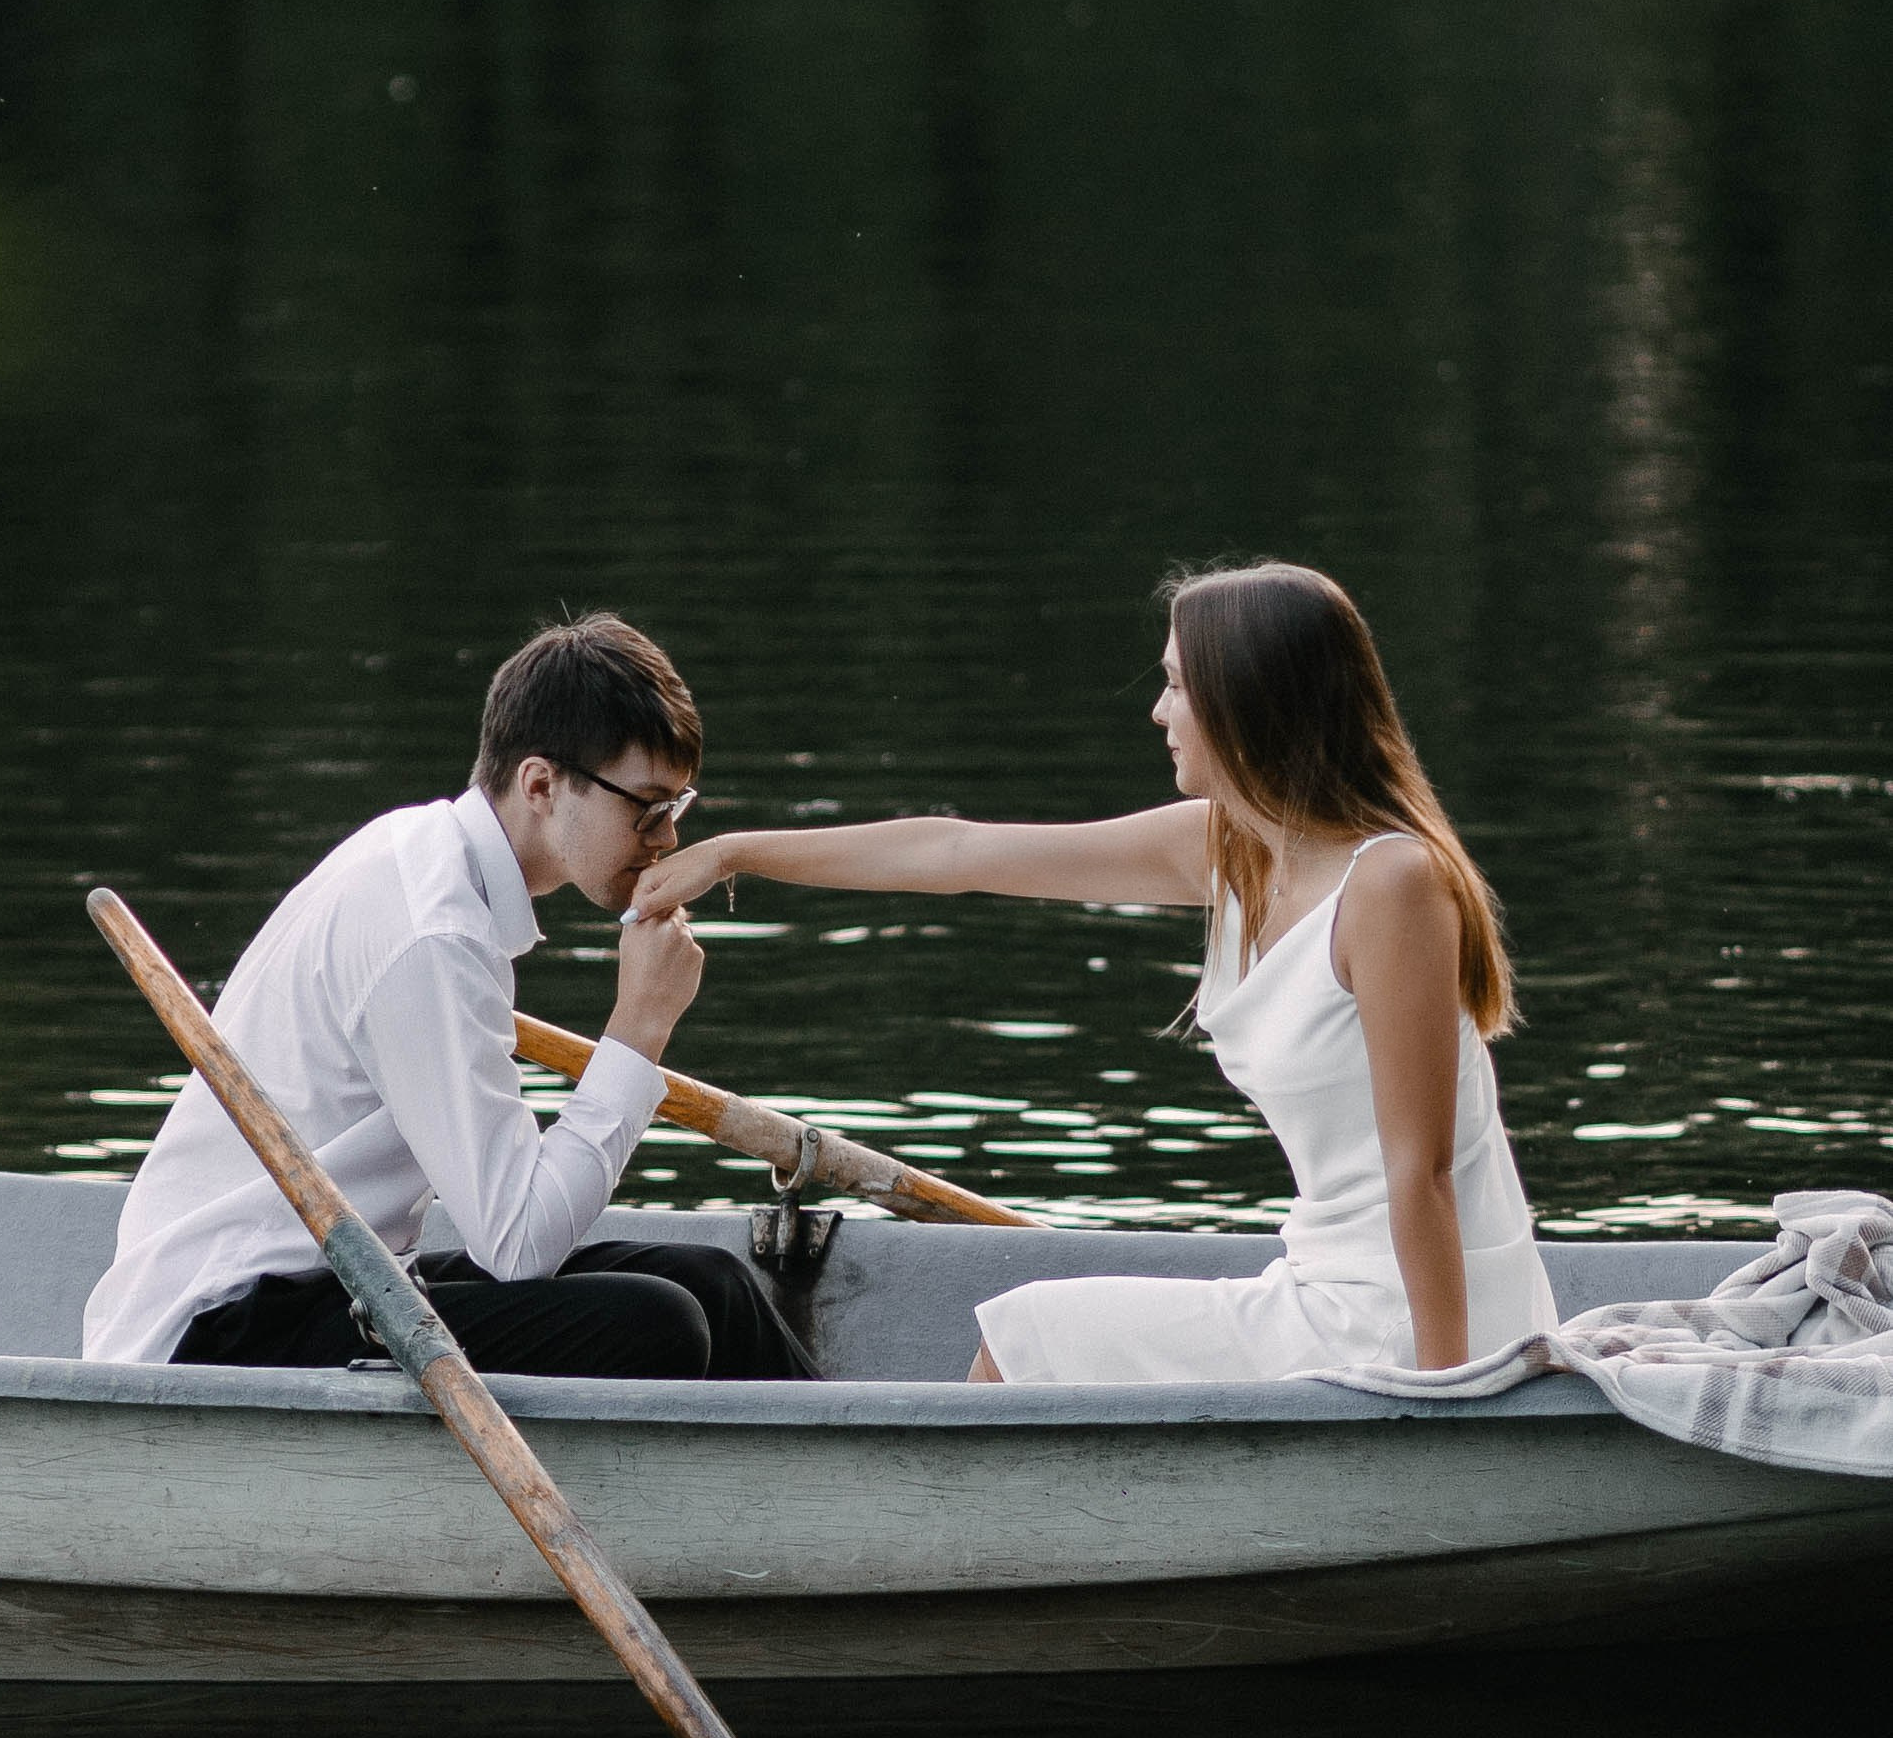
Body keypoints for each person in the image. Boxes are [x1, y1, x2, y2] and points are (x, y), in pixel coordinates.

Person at [630, 562, 1557, 1385]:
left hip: (1423, 1321)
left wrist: (1449, 1394)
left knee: (1026, 1328)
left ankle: (945, 1558)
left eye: (1176, 685)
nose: (1158, 711)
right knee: (1031, 1329)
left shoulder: (1391, 883)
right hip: (1329, 1282)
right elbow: (957, 852)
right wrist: (735, 854)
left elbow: (1421, 1169)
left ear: (1248, 702)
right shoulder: (1229, 850)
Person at [83, 613, 812, 1381]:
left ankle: (862, 1469)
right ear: (541, 784)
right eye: (647, 808)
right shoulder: (432, 933)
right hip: (222, 1327)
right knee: (661, 1323)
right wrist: (640, 1026)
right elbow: (520, 1242)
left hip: (342, 1283)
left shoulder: (422, 854)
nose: (664, 840)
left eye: (676, 809)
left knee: (713, 1284)